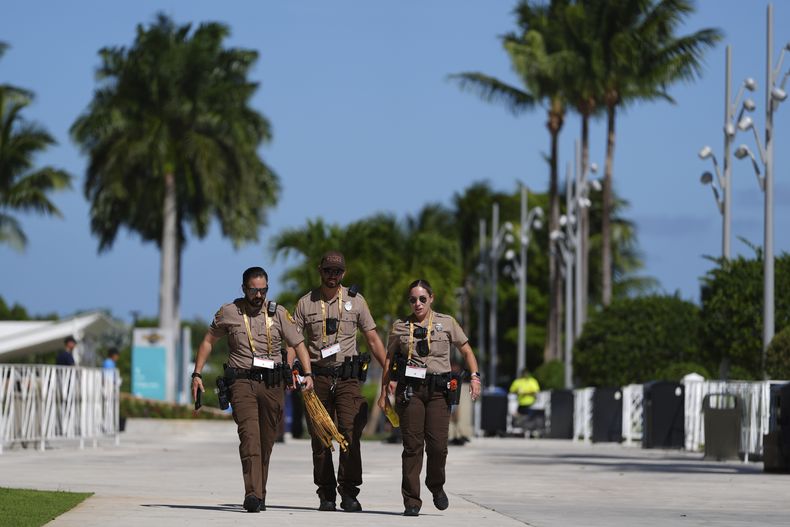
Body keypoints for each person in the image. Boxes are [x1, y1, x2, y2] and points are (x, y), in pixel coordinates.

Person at [191, 266, 314, 513]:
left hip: (272, 384)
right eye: (253, 290)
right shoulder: (229, 312)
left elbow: (298, 343)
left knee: (266, 441)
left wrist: (308, 374)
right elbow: (207, 341)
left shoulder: (278, 313)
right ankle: (252, 494)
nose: (258, 295)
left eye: (263, 290)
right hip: (241, 382)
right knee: (249, 438)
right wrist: (197, 373)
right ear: (244, 288)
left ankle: (260, 492)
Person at [293, 250, 387, 513]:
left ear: (343, 274)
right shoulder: (305, 303)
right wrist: (291, 367)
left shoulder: (356, 302)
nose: (332, 276)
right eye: (327, 271)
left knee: (350, 431)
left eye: (337, 271)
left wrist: (389, 369)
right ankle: (326, 494)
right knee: (320, 436)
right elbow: (295, 342)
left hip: (347, 379)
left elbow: (372, 338)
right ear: (320, 271)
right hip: (317, 378)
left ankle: (348, 491)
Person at [378, 279, 481, 517]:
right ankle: (411, 500)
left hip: (438, 392)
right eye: (413, 299)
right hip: (410, 391)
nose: (418, 304)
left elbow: (466, 349)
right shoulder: (400, 326)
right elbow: (389, 359)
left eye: (422, 299)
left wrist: (475, 377)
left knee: (437, 446)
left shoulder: (447, 323)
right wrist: (384, 391)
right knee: (412, 446)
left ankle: (436, 485)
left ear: (431, 299)